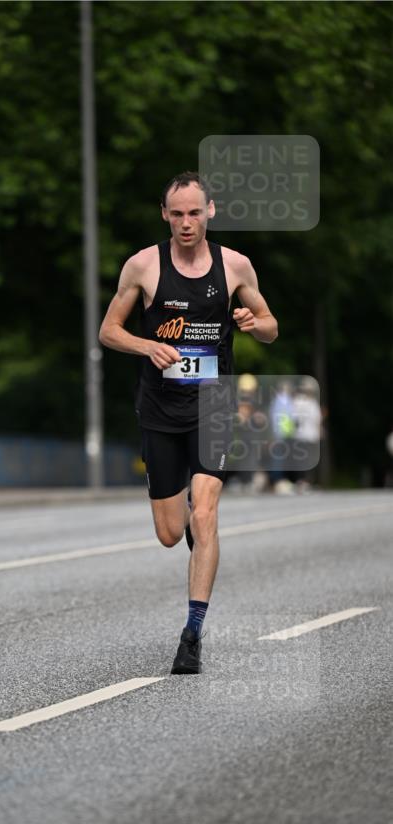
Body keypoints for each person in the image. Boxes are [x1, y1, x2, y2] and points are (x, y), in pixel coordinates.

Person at [99, 171, 278, 674]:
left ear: (210, 211)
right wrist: (145, 345)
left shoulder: (235, 265)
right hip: (159, 409)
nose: (185, 223)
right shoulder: (143, 265)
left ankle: (192, 634)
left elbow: (270, 325)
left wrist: (252, 323)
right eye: (176, 214)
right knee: (171, 532)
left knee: (205, 515)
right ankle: (198, 541)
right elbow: (109, 330)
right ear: (164, 214)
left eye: (194, 213)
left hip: (214, 406)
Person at [292, 377, 322, 492]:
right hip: (304, 435)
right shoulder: (308, 402)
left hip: (307, 435)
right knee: (304, 459)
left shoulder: (300, 401)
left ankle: (305, 481)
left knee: (306, 459)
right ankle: (302, 481)